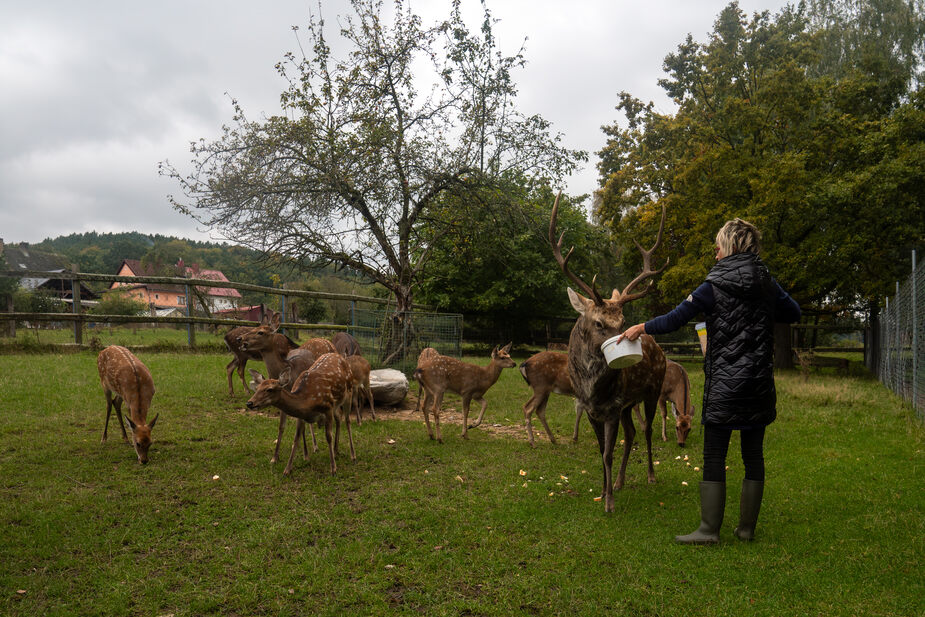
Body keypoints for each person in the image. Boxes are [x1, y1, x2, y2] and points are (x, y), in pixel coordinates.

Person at [619, 218, 800, 544]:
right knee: (753, 456)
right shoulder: (767, 283)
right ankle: (746, 530)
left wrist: (641, 327)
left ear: (730, 246)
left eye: (718, 245)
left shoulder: (712, 286)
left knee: (714, 456)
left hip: (725, 386)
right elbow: (793, 312)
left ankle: (708, 530)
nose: (714, 252)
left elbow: (675, 319)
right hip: (758, 385)